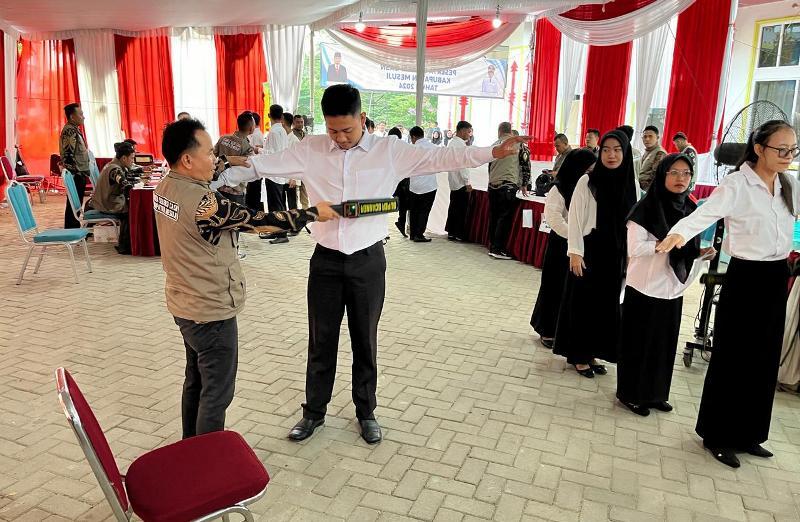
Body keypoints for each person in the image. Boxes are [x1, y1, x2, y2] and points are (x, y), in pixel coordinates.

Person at [212, 84, 526, 444]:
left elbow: (442, 159)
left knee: (365, 340)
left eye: (347, 130)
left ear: (362, 119)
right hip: (325, 262)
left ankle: (366, 412)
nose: (341, 138)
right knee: (321, 340)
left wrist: (491, 152)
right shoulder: (311, 149)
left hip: (368, 260)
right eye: (333, 130)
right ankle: (314, 412)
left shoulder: (389, 151)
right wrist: (216, 177)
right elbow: (260, 166)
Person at [154, 118, 336, 439]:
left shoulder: (164, 187)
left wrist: (239, 163)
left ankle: (190, 449)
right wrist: (311, 213)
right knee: (217, 393)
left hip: (183, 303)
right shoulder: (205, 203)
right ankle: (207, 464)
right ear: (187, 159)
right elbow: (260, 222)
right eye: (210, 153)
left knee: (195, 380)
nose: (216, 160)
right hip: (211, 310)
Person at [658, 120, 800, 468]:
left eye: (793, 149)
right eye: (780, 149)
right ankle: (717, 435)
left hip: (775, 275)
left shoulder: (789, 184)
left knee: (765, 358)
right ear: (758, 148)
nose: (787, 156)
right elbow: (705, 213)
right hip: (746, 277)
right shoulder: (738, 184)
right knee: (734, 356)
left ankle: (751, 433)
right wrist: (678, 234)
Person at [617, 154, 715, 416]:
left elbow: (687, 247)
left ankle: (656, 393)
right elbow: (635, 248)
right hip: (645, 286)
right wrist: (666, 244)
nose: (680, 178)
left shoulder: (690, 210)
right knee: (639, 343)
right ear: (662, 175)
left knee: (664, 344)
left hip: (672, 287)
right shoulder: (645, 209)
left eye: (685, 173)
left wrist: (700, 251)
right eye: (673, 173)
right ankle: (630, 394)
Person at [554, 130, 638, 377]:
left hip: (616, 252)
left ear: (625, 152)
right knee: (583, 304)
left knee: (605, 305)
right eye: (606, 149)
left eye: (617, 149)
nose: (611, 155)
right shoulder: (587, 181)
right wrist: (575, 252)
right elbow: (577, 218)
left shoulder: (630, 183)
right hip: (590, 249)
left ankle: (592, 353)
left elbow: (633, 223)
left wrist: (631, 255)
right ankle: (578, 355)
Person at [530, 149, 596, 348]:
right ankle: (547, 329)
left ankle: (564, 331)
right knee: (554, 287)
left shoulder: (589, 188)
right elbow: (553, 218)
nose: (591, 172)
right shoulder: (558, 189)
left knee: (570, 291)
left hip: (580, 245)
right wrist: (574, 235)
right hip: (561, 243)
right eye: (588, 168)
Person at [487, 122, 530, 260]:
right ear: (510, 131)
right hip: (508, 185)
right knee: (504, 218)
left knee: (494, 216)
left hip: (492, 185)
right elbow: (525, 164)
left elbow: (489, 166)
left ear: (499, 131)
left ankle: (492, 244)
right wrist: (525, 184)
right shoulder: (518, 143)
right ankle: (498, 249)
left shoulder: (494, 144)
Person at [88, 141, 137, 255]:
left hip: (105, 199)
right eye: (132, 158)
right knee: (130, 211)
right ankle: (124, 246)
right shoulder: (115, 169)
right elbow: (119, 178)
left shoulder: (113, 164)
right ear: (124, 158)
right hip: (107, 202)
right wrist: (126, 184)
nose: (133, 161)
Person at [262, 104, 291, 244]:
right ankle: (276, 231)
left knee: (277, 205)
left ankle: (282, 234)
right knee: (275, 205)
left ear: (269, 115)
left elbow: (274, 154)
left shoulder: (274, 132)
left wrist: (259, 151)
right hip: (277, 172)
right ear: (282, 116)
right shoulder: (282, 130)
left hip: (274, 172)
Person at [60, 103, 90, 229]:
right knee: (73, 203)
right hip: (76, 174)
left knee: (76, 203)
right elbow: (68, 153)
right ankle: (72, 229)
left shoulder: (74, 129)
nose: (83, 117)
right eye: (81, 114)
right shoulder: (69, 130)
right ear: (72, 117)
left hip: (79, 172)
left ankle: (74, 227)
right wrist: (76, 172)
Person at [408, 126, 439, 242]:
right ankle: (419, 234)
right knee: (424, 211)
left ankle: (413, 234)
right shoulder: (433, 147)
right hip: (429, 185)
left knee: (414, 211)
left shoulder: (411, 149)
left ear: (413, 137)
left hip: (414, 185)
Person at [445, 121, 473, 242]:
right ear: (462, 131)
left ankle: (451, 231)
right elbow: (463, 166)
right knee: (461, 209)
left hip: (453, 180)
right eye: (468, 131)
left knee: (453, 207)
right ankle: (458, 233)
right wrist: (467, 182)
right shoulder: (460, 145)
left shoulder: (451, 143)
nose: (469, 134)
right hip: (460, 181)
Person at [388, 127, 412, 238]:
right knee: (404, 203)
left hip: (388, 180)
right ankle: (401, 221)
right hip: (402, 181)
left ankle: (400, 222)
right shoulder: (402, 147)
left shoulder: (383, 146)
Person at [640, 125, 667, 191]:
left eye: (650, 136)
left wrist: (645, 193)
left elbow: (655, 176)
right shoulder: (648, 150)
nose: (647, 139)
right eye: (645, 137)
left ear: (657, 138)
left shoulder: (660, 153)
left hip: (647, 190)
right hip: (640, 187)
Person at [284, 112, 301, 211]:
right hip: (281, 177)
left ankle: (295, 224)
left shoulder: (294, 140)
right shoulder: (282, 138)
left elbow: (298, 160)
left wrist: (294, 178)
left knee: (292, 204)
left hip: (291, 178)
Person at [292, 115, 309, 209]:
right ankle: (295, 211)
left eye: (301, 122)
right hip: (295, 165)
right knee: (294, 190)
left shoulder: (305, 134)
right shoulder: (292, 135)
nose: (300, 124)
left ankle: (305, 210)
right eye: (298, 122)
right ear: (293, 123)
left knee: (305, 189)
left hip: (304, 165)